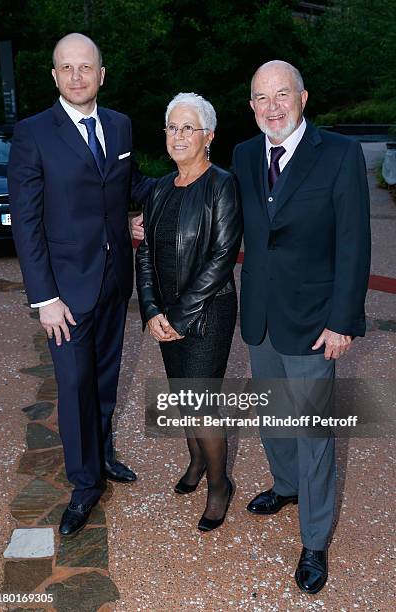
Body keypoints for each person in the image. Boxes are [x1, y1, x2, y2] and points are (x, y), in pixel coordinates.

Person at [233, 60, 371, 594]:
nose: (273, 107)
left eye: (282, 95)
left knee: (313, 432)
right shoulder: (245, 155)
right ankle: (285, 486)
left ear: (303, 98)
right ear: (251, 106)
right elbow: (223, 211)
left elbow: (354, 243)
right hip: (261, 317)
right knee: (272, 413)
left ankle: (314, 541)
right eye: (262, 98)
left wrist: (343, 322)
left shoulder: (338, 154)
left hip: (316, 323)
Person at [8, 33, 154, 536]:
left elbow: (130, 185)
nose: (76, 76)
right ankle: (84, 484)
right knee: (73, 386)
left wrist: (189, 182)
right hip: (64, 293)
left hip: (115, 281)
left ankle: (104, 454)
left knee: (106, 379)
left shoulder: (119, 125)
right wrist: (44, 298)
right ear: (53, 75)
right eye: (66, 68)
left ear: (101, 74)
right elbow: (26, 223)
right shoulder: (32, 134)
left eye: (85, 67)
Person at [136, 92, 242, 532]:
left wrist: (179, 317)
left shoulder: (222, 184)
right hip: (165, 314)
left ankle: (220, 485)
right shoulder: (159, 188)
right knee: (183, 399)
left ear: (209, 136)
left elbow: (221, 257)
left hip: (208, 315)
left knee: (201, 405)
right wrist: (150, 310)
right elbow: (144, 255)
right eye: (172, 128)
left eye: (188, 128)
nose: (179, 136)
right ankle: (196, 460)